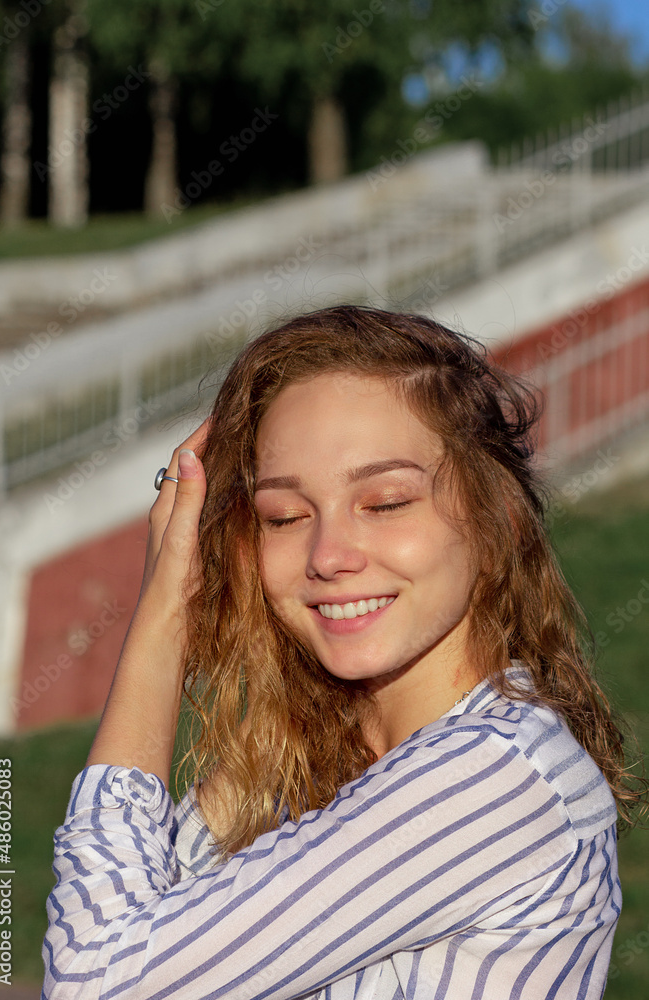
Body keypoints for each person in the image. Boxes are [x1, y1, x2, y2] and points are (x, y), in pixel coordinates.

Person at [42, 304, 646, 999]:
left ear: (495, 518)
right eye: (285, 517)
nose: (328, 555)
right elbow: (126, 924)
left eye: (385, 502)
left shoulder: (493, 777)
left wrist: (162, 615)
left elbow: (96, 979)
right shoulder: (284, 771)